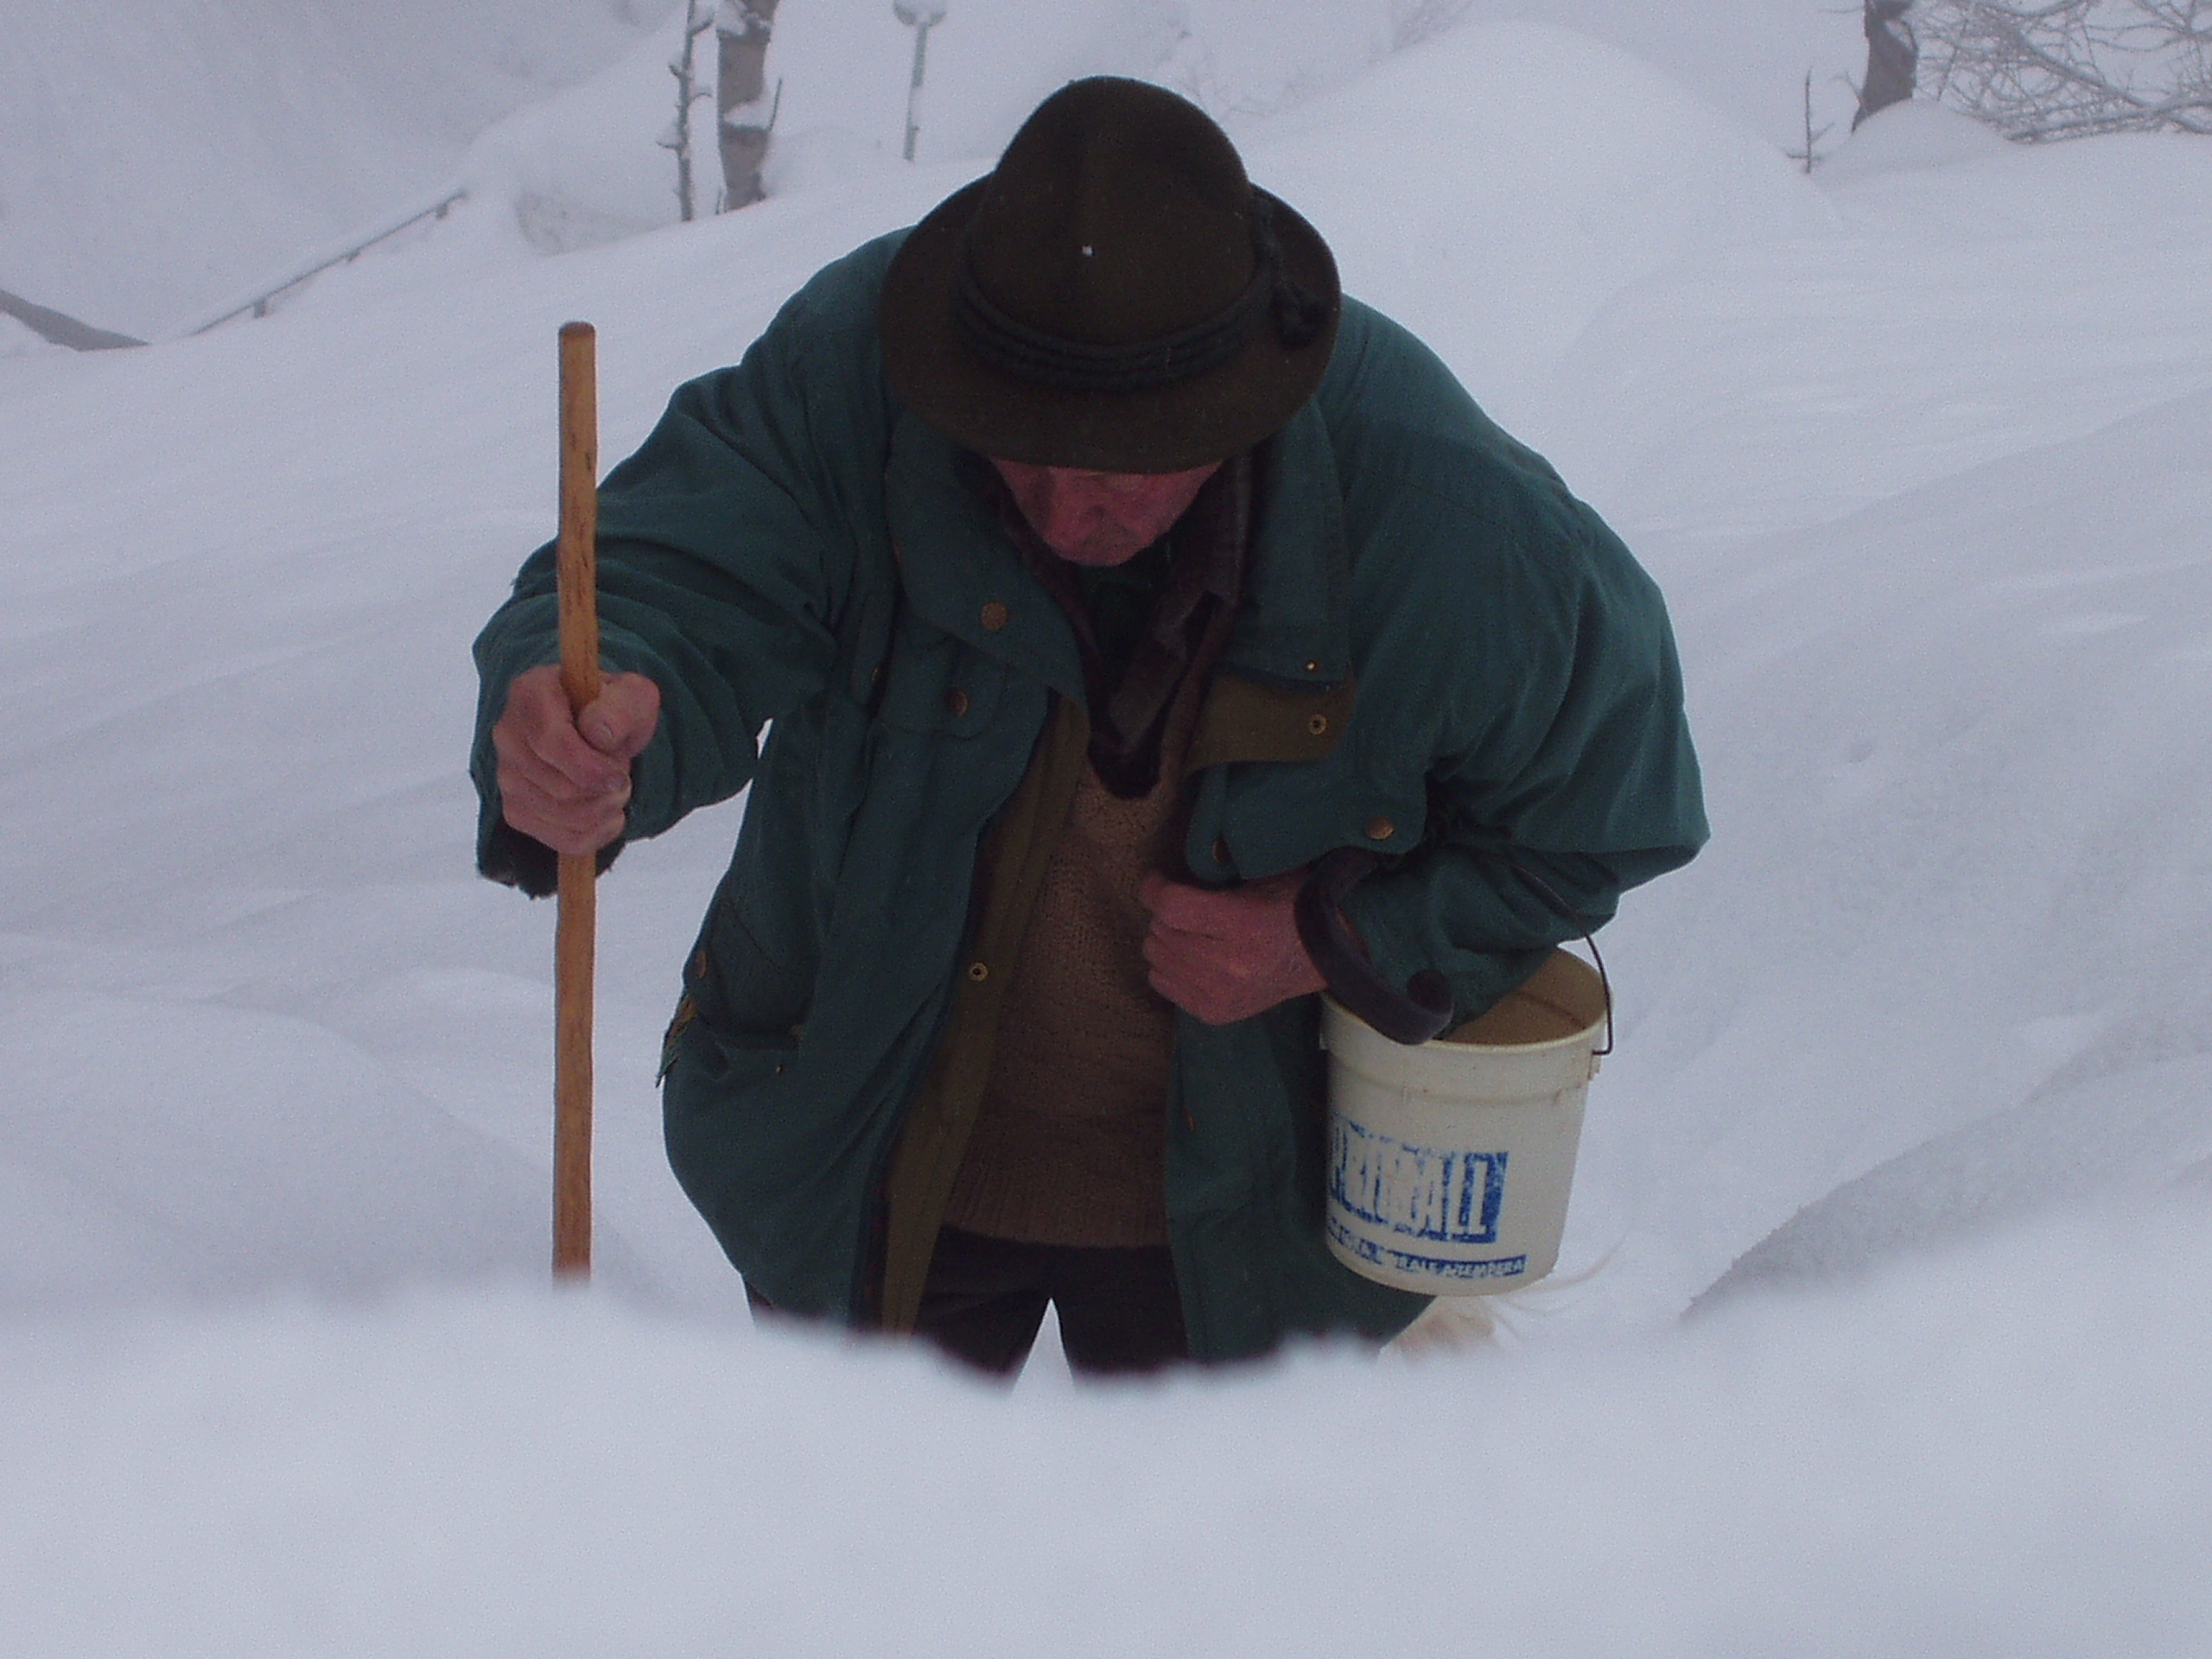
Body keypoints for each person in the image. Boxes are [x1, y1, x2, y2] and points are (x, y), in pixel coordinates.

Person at [471, 77, 1707, 1376]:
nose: (1069, 514)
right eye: (1024, 451)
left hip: (1246, 1211)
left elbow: (1603, 819)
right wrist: (594, 697)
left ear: (1238, 408)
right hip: (866, 1146)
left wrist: (1328, 939)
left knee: (1197, 1517)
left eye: (1127, 470)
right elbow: (676, 569)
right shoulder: (870, 372)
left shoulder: (1445, 523)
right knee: (856, 1508)